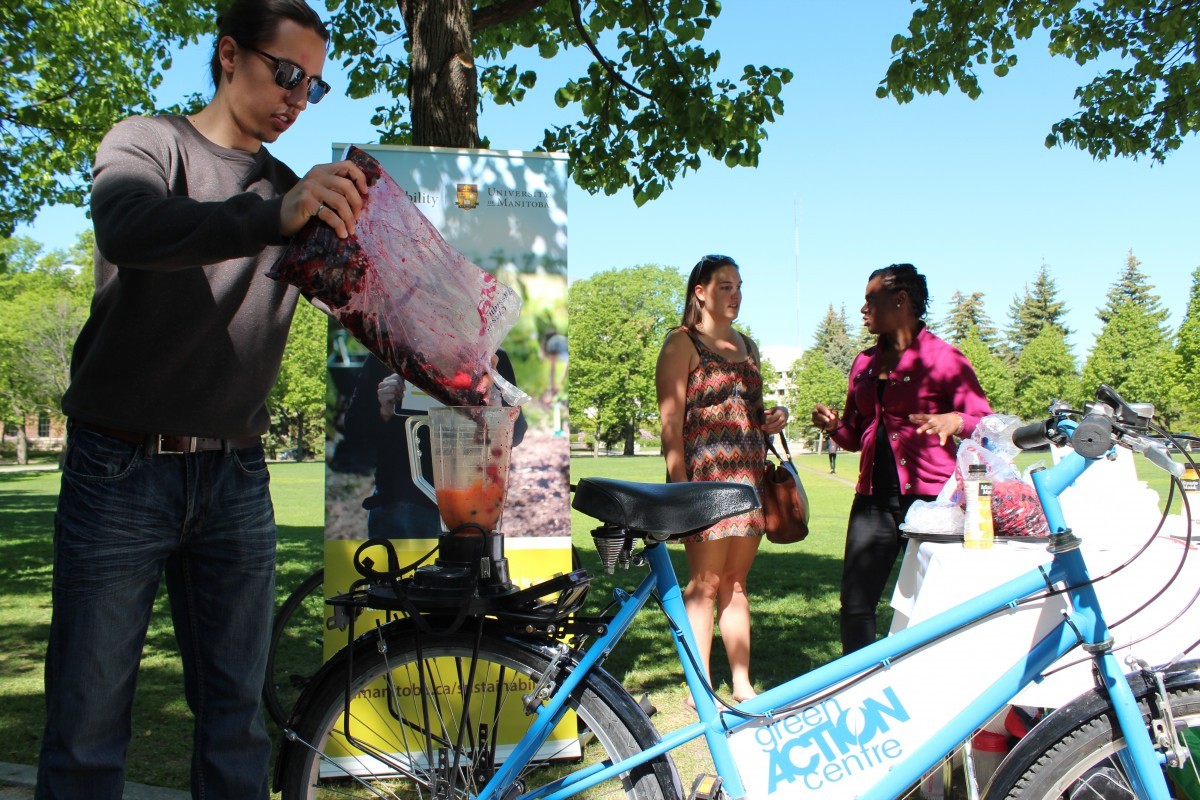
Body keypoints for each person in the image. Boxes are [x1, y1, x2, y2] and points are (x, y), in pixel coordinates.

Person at [38, 2, 369, 798]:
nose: (296, 98)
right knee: (86, 728)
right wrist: (271, 216)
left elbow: (368, 309)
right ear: (229, 55)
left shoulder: (296, 194)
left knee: (235, 730)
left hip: (237, 482)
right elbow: (131, 229)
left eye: (314, 88)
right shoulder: (147, 143)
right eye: (286, 73)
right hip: (118, 467)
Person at [811, 263, 992, 655]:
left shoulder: (946, 360)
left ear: (901, 300)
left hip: (933, 504)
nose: (863, 309)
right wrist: (832, 427)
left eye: (871, 300)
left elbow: (988, 424)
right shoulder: (863, 364)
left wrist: (955, 419)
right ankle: (857, 683)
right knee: (856, 603)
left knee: (935, 604)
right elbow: (853, 437)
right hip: (872, 503)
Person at [655, 254, 788, 705]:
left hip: (747, 479)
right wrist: (680, 490)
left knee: (735, 582)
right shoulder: (682, 342)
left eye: (739, 286)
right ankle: (700, 686)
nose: (735, 295)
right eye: (725, 286)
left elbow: (753, 408)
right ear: (700, 292)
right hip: (704, 480)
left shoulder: (747, 344)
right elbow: (670, 422)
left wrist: (776, 417)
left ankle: (742, 681)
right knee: (705, 583)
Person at [332, 352, 527, 538]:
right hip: (402, 505)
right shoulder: (386, 351)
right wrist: (382, 410)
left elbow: (516, 435)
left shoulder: (490, 359)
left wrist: (495, 406)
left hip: (472, 507)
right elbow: (356, 436)